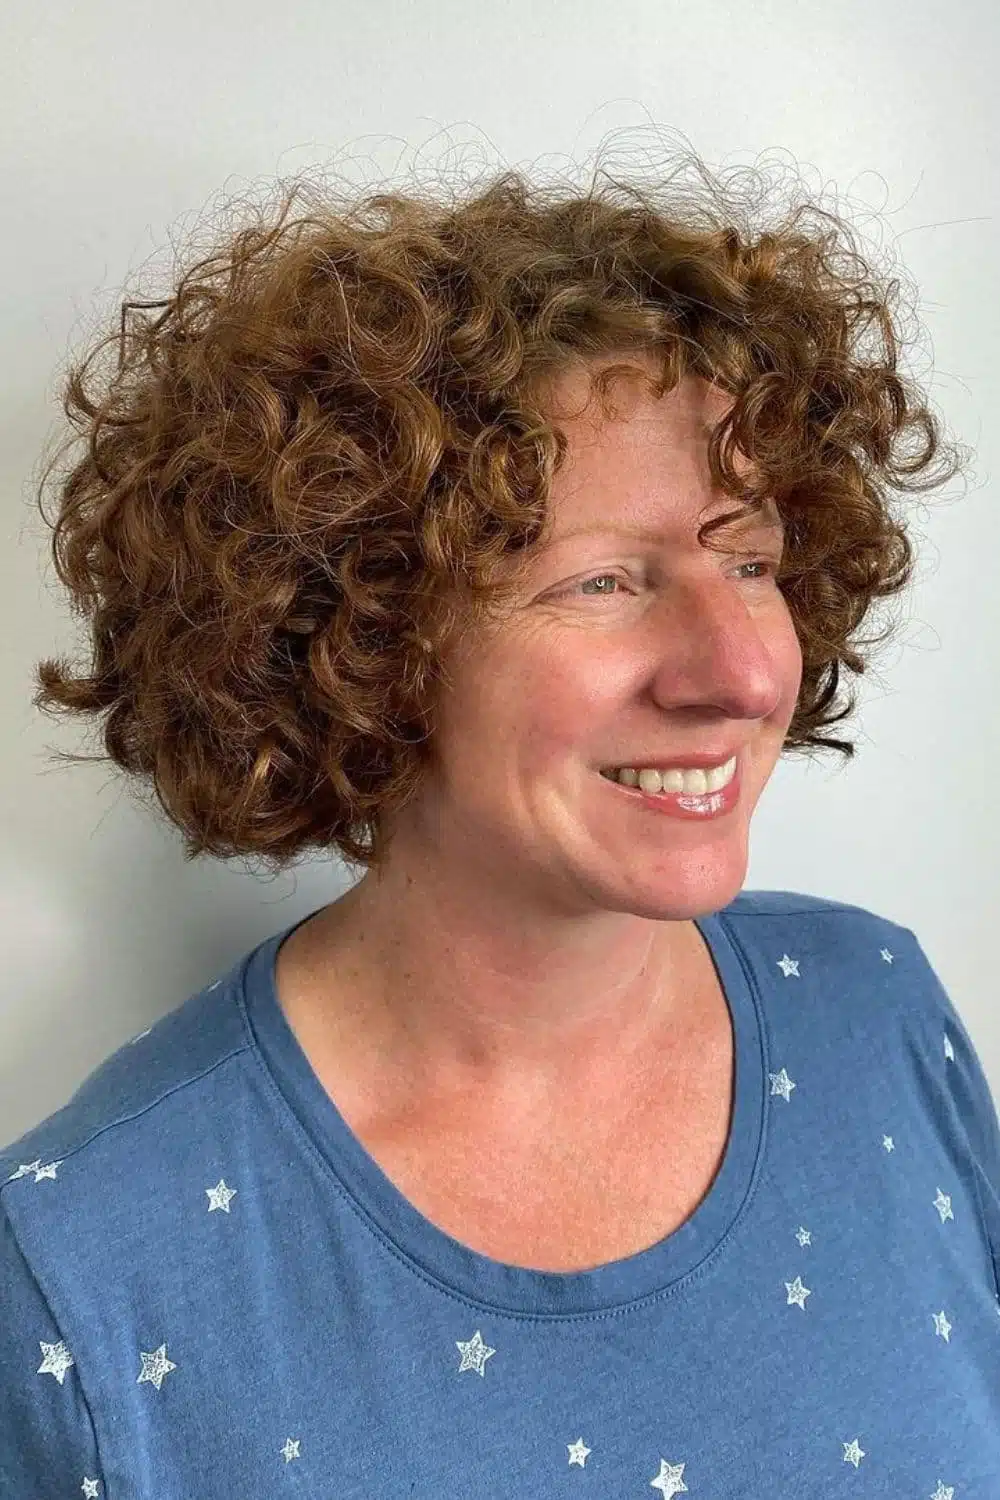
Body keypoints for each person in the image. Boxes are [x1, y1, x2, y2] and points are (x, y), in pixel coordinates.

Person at [3, 158, 999, 1497]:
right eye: (605, 578)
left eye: (751, 560)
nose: (746, 673)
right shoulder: (86, 1263)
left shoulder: (877, 1017)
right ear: (359, 630)